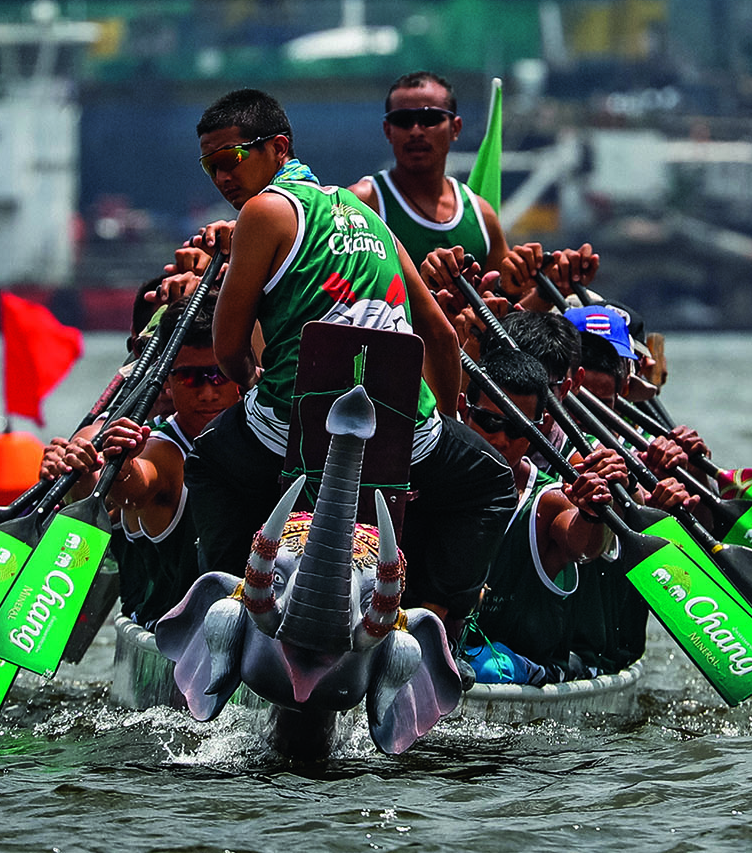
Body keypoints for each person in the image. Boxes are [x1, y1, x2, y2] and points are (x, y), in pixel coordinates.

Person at [179, 88, 517, 644]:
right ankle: (439, 620)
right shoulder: (370, 216)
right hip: (403, 434)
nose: (221, 178)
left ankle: (231, 616)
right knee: (490, 482)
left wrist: (248, 381)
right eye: (209, 166)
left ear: (278, 148)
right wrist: (444, 422)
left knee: (211, 463)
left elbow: (228, 348)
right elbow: (439, 335)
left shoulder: (263, 211)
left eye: (230, 159)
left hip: (296, 432)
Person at [41, 291, 242, 627]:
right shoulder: (158, 450)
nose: (208, 392)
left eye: (219, 374)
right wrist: (117, 470)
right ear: (167, 379)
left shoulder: (262, 430)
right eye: (189, 377)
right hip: (172, 630)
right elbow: (135, 486)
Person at [460, 348, 626, 685]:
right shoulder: (435, 480)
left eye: (516, 429)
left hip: (514, 666)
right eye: (488, 421)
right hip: (448, 652)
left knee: (485, 667)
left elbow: (583, 547)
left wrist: (591, 514)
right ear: (464, 410)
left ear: (542, 427)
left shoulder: (549, 502)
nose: (500, 440)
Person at [347, 71, 508, 276]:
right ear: (388, 130)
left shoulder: (482, 215)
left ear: (455, 128)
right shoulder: (362, 204)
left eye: (429, 118)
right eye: (403, 120)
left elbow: (507, 294)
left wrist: (535, 284)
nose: (416, 131)